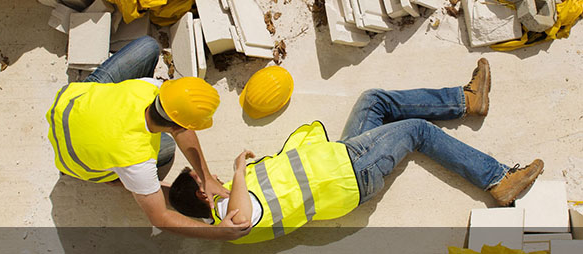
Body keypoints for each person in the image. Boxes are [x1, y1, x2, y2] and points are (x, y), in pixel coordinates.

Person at [168, 58, 544, 243]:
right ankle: (498, 179)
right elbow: (242, 218)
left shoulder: (220, 207)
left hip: (339, 159)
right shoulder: (231, 215)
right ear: (204, 193)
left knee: (373, 101)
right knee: (416, 131)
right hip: (353, 173)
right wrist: (235, 171)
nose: (209, 174)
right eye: (202, 177)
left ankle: (466, 100)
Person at [46, 35, 250, 240]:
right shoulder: (137, 159)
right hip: (73, 159)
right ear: (175, 125)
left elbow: (181, 126)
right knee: (167, 148)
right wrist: (218, 232)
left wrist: (205, 177)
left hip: (70, 104)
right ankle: (115, 179)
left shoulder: (147, 87)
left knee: (148, 46)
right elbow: (160, 217)